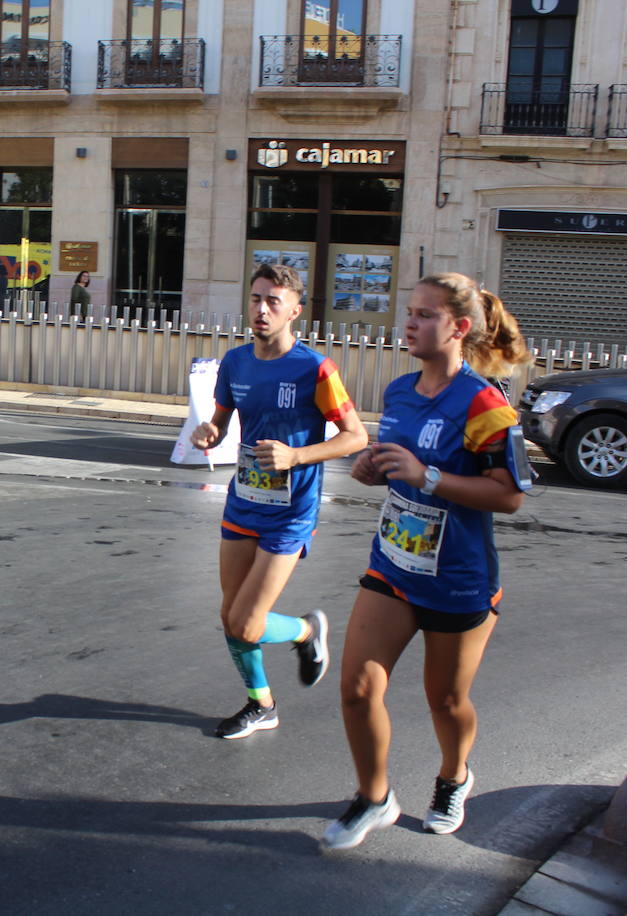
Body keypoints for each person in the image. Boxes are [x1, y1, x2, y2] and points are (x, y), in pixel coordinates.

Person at [322, 272, 530, 851]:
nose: (408, 323)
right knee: (358, 689)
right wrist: (373, 467)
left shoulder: (485, 402)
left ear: (459, 328)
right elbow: (397, 463)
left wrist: (428, 477)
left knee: (446, 700)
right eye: (408, 312)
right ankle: (374, 797)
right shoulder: (399, 391)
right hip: (393, 564)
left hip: (459, 580)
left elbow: (509, 496)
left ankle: (454, 776)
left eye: (424, 315)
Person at [189, 263, 368, 739]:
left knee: (247, 624)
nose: (262, 309)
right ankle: (261, 703)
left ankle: (307, 631)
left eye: (273, 300)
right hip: (244, 501)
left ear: (295, 309)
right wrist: (210, 432)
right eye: (255, 299)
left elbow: (355, 437)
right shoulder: (236, 363)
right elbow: (222, 421)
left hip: (290, 511)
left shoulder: (315, 369)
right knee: (230, 616)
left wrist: (298, 455)